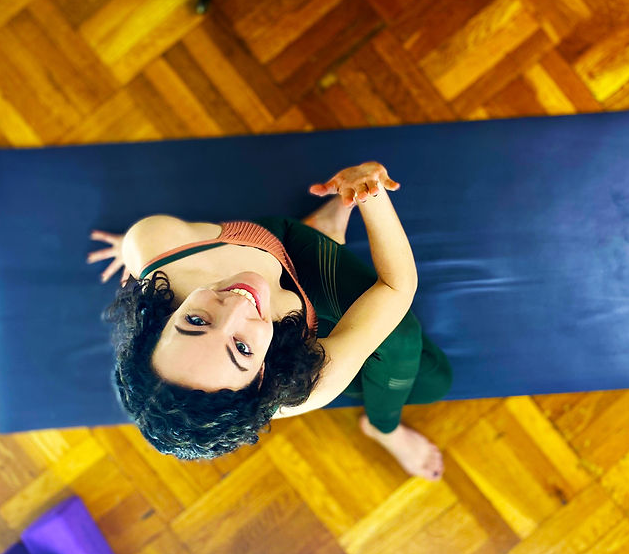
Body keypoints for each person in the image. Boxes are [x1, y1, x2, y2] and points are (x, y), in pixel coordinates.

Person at [87, 162, 452, 480]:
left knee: (403, 339)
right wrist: (371, 194)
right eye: (240, 348)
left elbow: (141, 244)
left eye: (196, 321)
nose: (237, 304)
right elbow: (394, 288)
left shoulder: (158, 243)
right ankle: (382, 428)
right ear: (263, 377)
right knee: (432, 380)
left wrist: (132, 250)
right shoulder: (297, 389)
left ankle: (322, 228)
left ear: (161, 321)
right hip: (297, 318)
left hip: (284, 244)